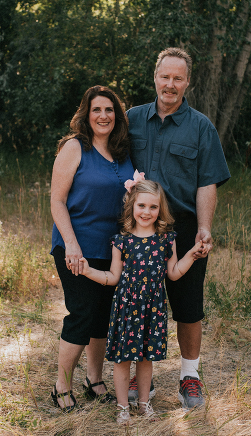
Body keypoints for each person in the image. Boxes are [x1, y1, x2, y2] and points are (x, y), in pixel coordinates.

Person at [126, 47, 230, 409]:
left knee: (188, 305)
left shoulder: (201, 127)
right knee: (137, 303)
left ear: (187, 82)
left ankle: (190, 376)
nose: (170, 84)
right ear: (155, 78)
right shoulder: (132, 120)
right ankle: (143, 379)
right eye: (164, 76)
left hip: (183, 229)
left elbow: (207, 183)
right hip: (139, 230)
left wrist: (204, 228)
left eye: (178, 78)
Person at [75, 177, 204, 425]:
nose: (147, 212)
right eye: (141, 206)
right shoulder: (121, 241)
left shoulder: (166, 239)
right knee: (123, 360)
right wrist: (87, 270)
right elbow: (113, 277)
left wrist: (191, 255)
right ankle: (123, 407)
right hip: (126, 309)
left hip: (153, 310)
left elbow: (174, 273)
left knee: (146, 359)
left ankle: (144, 404)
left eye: (153, 207)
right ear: (132, 206)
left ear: (160, 209)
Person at [49, 85, 134, 411]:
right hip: (76, 246)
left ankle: (94, 380)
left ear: (117, 115)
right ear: (86, 114)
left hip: (113, 248)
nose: (103, 116)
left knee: (103, 319)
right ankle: (61, 386)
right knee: (82, 314)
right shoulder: (74, 148)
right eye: (97, 110)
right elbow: (57, 200)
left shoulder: (123, 152)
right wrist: (71, 244)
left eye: (109, 110)